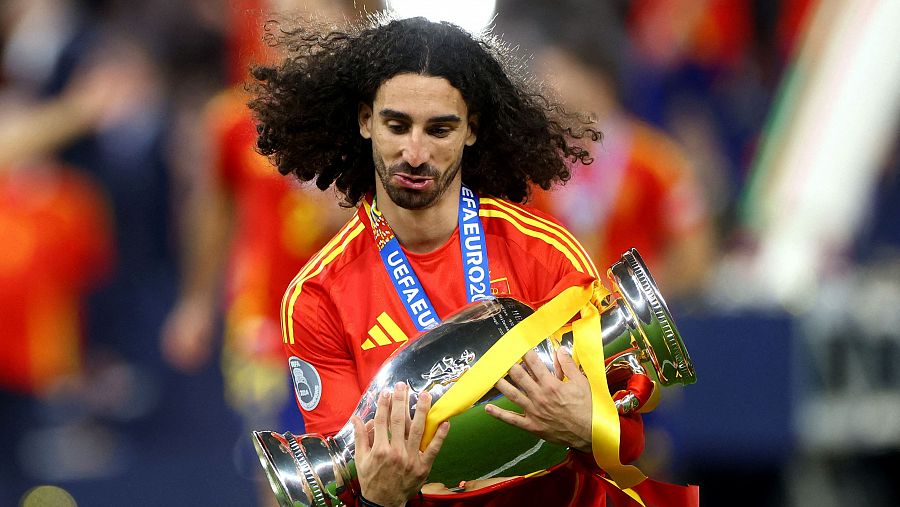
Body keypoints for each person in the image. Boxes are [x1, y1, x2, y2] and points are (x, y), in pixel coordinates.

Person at [250, 16, 696, 507]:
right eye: (396, 125)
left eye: (440, 129)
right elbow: (341, 485)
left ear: (472, 131)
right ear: (364, 122)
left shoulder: (545, 252)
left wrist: (585, 424)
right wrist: (379, 500)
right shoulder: (317, 295)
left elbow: (630, 440)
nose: (415, 153)